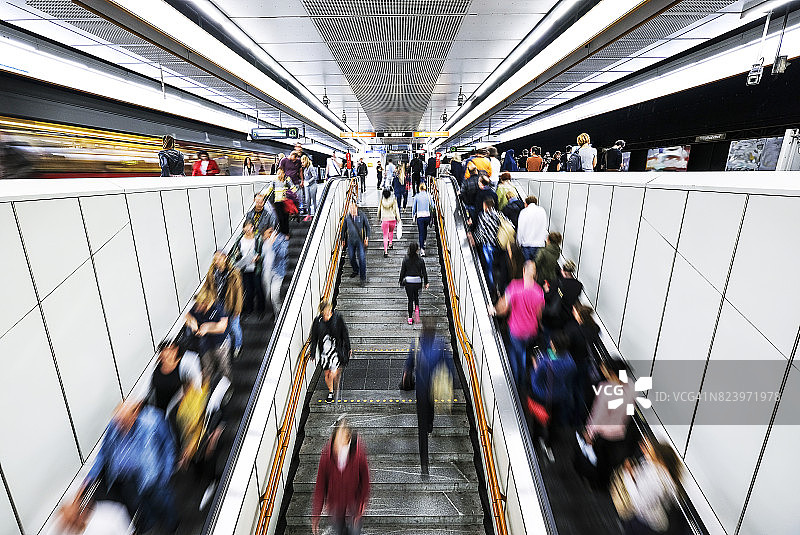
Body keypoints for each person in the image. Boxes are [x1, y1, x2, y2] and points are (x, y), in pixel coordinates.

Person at [59, 401, 178, 534]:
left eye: (123, 422)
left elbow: (168, 445)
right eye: (118, 422)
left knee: (162, 502)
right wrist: (88, 478)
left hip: (152, 478)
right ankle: (149, 525)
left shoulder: (151, 424)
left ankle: (171, 525)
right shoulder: (113, 426)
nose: (119, 426)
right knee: (141, 505)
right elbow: (102, 454)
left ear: (134, 416)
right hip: (127, 479)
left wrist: (166, 474)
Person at [404, 320, 455, 476]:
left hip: (421, 388)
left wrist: (406, 374)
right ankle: (430, 423)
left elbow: (409, 362)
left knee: (421, 427)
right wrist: (450, 382)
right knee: (430, 408)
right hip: (435, 387)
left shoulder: (417, 342)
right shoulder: (440, 343)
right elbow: (449, 365)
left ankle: (424, 465)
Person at [490, 261, 544, 387]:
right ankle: (524, 376)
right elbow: (539, 314)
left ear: (523, 271)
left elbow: (503, 309)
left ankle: (517, 383)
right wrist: (539, 326)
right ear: (535, 275)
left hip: (517, 330)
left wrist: (494, 310)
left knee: (516, 355)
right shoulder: (539, 292)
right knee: (524, 352)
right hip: (532, 331)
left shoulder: (514, 287)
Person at [311, 418, 370, 535]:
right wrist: (316, 514)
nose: (336, 445)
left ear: (348, 438)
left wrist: (361, 505)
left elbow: (365, 480)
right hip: (336, 505)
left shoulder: (358, 453)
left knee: (354, 532)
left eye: (340, 439)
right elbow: (321, 485)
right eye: (336, 439)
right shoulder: (327, 454)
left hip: (354, 504)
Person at [612, 441, 682, 535]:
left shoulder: (659, 482)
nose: (646, 452)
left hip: (648, 522)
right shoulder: (657, 469)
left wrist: (629, 476)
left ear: (660, 458)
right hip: (645, 516)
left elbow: (639, 503)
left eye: (650, 452)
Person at [585, 359, 635, 487]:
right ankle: (607, 481)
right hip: (620, 432)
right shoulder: (631, 386)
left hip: (603, 434)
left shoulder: (604, 389)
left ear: (612, 373)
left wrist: (589, 434)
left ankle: (598, 484)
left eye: (604, 368)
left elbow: (598, 416)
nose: (602, 369)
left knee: (600, 460)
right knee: (609, 460)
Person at [528, 332, 577, 462]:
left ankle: (536, 439)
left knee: (539, 418)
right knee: (553, 419)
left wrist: (535, 366)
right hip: (560, 395)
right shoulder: (571, 362)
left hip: (543, 396)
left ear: (553, 345)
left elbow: (535, 381)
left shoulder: (545, 363)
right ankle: (549, 440)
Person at [147, 338, 202, 434]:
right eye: (163, 353)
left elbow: (195, 386)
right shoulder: (157, 369)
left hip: (176, 413)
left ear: (175, 351)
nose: (164, 357)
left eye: (168, 353)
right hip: (160, 413)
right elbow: (151, 390)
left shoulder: (183, 366)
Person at [201, 250, 244, 358]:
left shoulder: (234, 273)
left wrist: (238, 309)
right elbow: (207, 287)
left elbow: (238, 292)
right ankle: (228, 350)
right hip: (219, 307)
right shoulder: (212, 273)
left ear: (225, 258)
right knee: (224, 330)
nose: (217, 261)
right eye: (215, 259)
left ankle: (238, 346)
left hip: (231, 305)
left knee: (235, 328)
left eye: (219, 258)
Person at [309, 300, 351, 403]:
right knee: (327, 373)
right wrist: (313, 353)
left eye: (330, 313)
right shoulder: (317, 322)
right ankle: (331, 391)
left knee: (333, 372)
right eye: (326, 314)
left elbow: (344, 332)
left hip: (336, 350)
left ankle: (336, 377)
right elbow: (314, 338)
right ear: (322, 312)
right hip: (324, 352)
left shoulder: (337, 318)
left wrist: (348, 347)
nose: (328, 315)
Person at [185, 288, 230, 379]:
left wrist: (207, 328)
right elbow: (187, 315)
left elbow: (222, 327)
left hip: (219, 345)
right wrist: (191, 322)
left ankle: (227, 386)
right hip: (205, 345)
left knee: (223, 368)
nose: (196, 308)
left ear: (206, 303)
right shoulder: (196, 309)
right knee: (207, 369)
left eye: (199, 305)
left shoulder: (217, 308)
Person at [468, 198, 502, 292]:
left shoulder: (483, 216)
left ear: (485, 206)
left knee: (489, 268)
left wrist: (473, 239)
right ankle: (498, 286)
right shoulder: (497, 215)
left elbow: (481, 231)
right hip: (496, 244)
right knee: (496, 267)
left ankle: (491, 289)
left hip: (487, 245)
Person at [230, 220, 264, 318]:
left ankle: (261, 310)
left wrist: (258, 258)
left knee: (258, 288)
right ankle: (249, 309)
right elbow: (234, 254)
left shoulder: (258, 238)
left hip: (255, 268)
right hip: (244, 268)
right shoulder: (240, 239)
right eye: (246, 228)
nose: (248, 230)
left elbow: (263, 253)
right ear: (243, 228)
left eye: (250, 228)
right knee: (248, 290)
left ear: (253, 227)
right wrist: (235, 264)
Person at [261, 225, 288, 318]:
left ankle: (279, 315)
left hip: (278, 272)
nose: (264, 237)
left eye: (265, 234)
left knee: (274, 295)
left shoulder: (281, 239)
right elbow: (264, 255)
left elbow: (283, 254)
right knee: (268, 295)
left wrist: (273, 245)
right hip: (267, 270)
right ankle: (275, 310)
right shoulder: (265, 242)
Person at [399, 243, 429, 324]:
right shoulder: (420, 260)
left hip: (409, 281)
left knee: (410, 300)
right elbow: (424, 272)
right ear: (417, 250)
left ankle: (410, 318)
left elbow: (402, 271)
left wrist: (401, 280)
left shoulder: (406, 259)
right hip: (418, 281)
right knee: (416, 298)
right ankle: (417, 315)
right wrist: (426, 282)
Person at [341, 202, 371, 282]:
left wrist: (366, 238)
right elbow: (343, 229)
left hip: (360, 240)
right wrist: (342, 239)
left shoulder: (362, 216)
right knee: (351, 257)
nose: (352, 210)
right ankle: (355, 269)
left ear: (356, 208)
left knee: (361, 258)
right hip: (350, 241)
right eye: (350, 209)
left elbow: (367, 227)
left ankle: (363, 277)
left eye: (353, 208)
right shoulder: (347, 218)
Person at [517, 196, 548, 261]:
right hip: (539, 244)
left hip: (527, 244)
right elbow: (544, 226)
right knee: (536, 267)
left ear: (527, 203)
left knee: (528, 266)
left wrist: (519, 242)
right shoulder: (542, 211)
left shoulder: (524, 212)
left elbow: (520, 229)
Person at [411, 182, 434, 256]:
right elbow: (433, 206)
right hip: (427, 215)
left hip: (420, 216)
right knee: (425, 229)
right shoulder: (428, 195)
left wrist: (413, 215)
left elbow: (414, 207)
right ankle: (424, 241)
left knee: (421, 232)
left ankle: (422, 249)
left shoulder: (417, 196)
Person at [377, 188, 401, 258]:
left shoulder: (381, 201)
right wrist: (398, 218)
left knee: (385, 235)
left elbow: (379, 210)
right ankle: (390, 243)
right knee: (391, 231)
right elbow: (397, 210)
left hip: (384, 219)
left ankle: (385, 251)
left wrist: (378, 217)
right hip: (392, 219)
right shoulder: (393, 201)